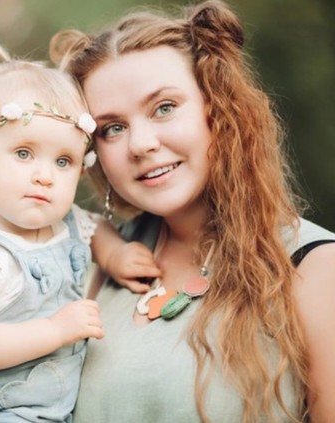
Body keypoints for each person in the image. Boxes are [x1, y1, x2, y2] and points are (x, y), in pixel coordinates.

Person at [50, 0, 335, 421]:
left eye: (164, 108)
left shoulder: (315, 267)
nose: (140, 144)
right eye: (113, 128)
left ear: (217, 109)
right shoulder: (91, 266)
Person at [0, 36, 159, 423]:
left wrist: (115, 254)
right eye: (24, 153)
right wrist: (54, 330)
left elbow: (94, 228)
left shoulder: (63, 222)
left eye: (63, 161)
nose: (44, 176)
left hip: (58, 410)